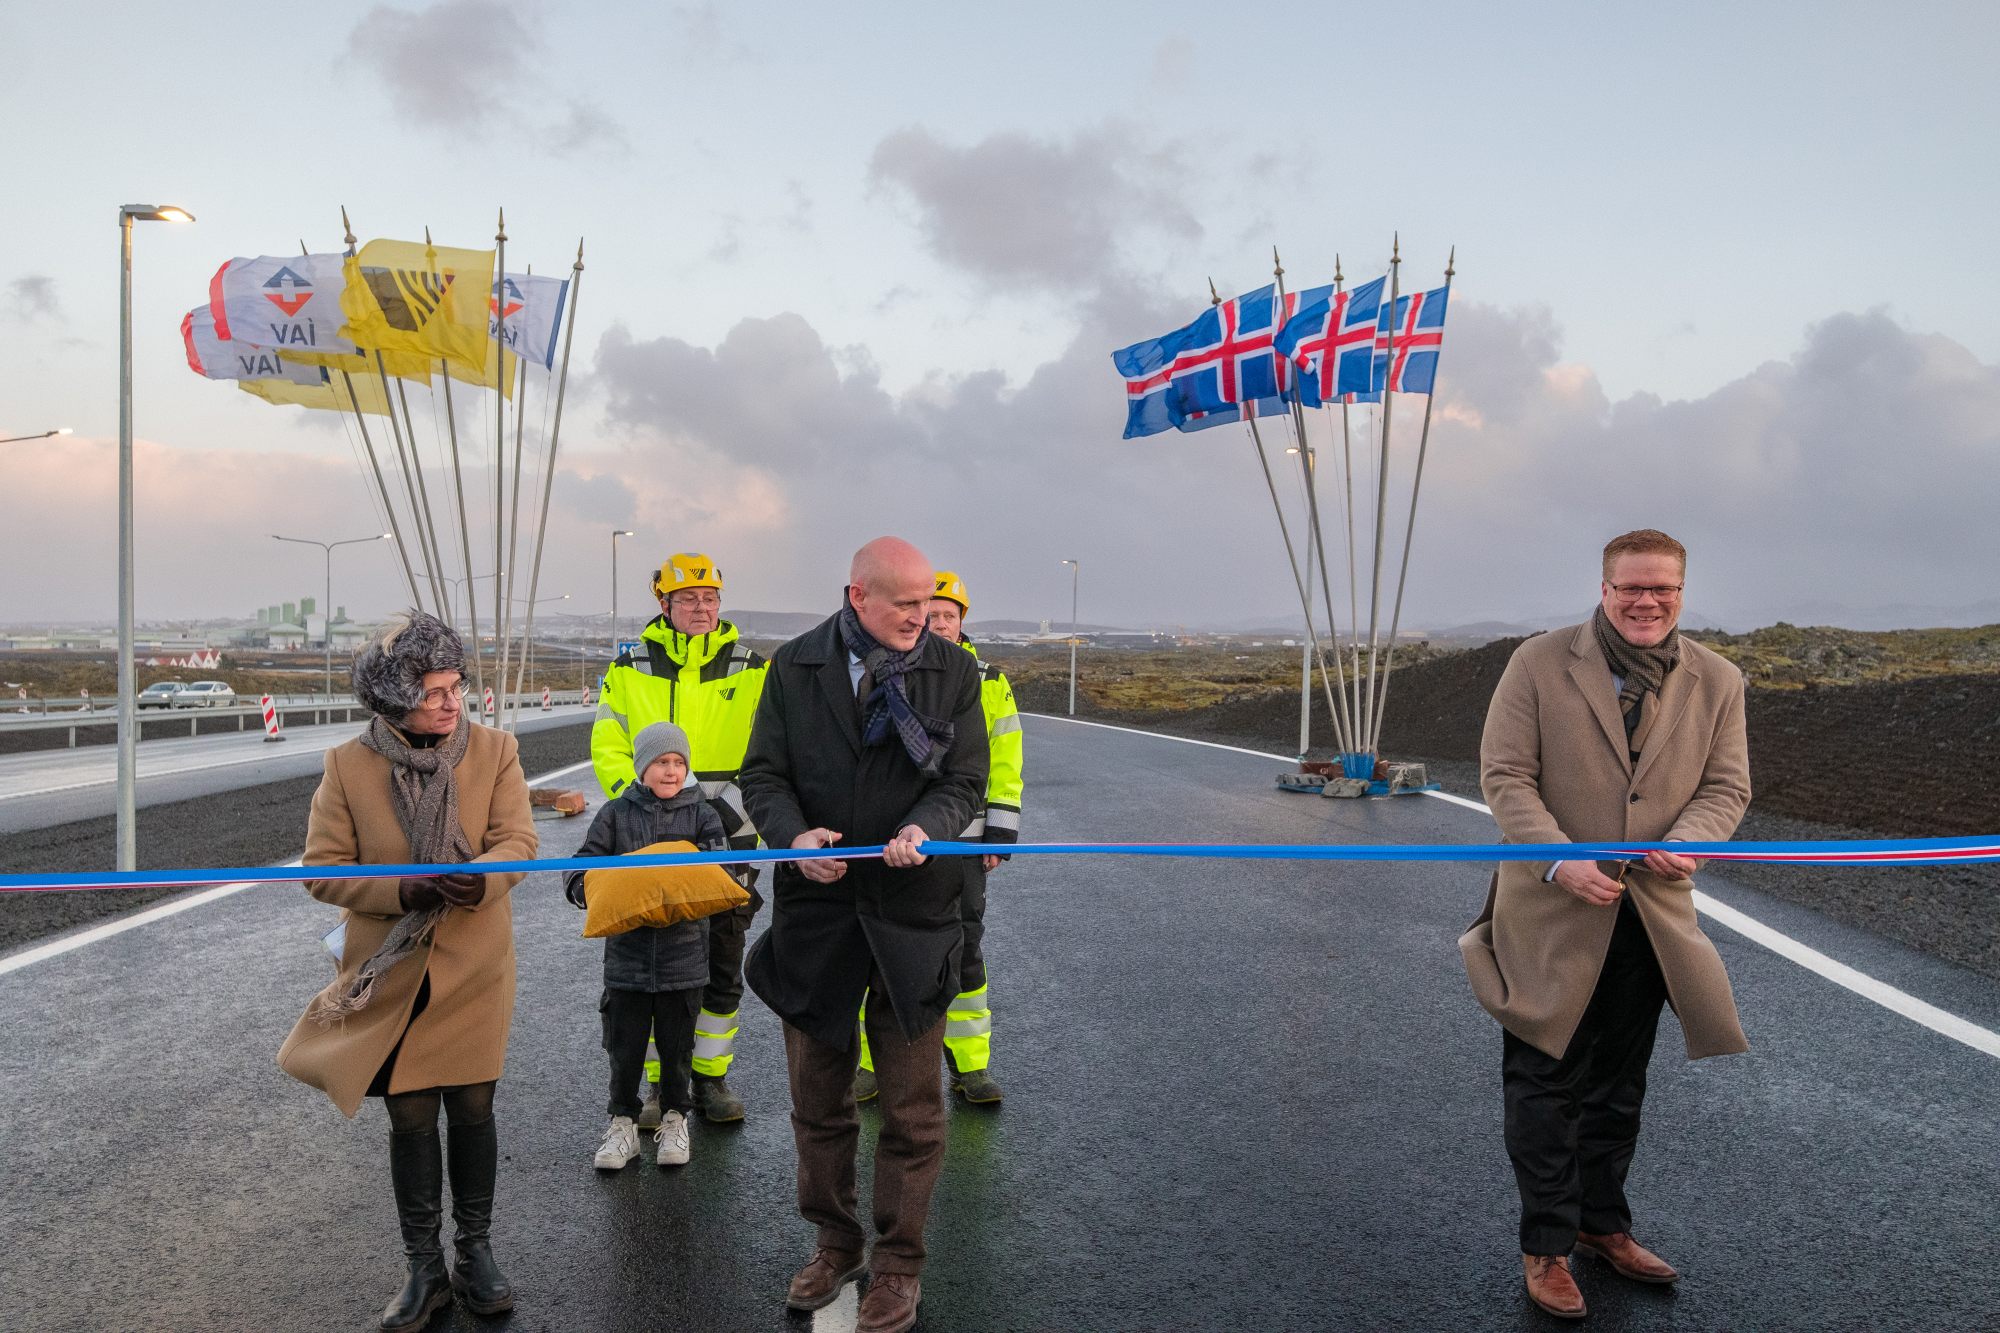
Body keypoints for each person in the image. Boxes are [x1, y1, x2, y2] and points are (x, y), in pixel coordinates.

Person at [1461, 529, 1752, 1320]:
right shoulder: (1538, 661)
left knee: (1619, 1086)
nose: (1645, 600)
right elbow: (1505, 774)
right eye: (1630, 587)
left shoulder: (1719, 679)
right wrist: (1559, 859)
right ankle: (1547, 1246)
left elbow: (1727, 787)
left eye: (1661, 588)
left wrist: (1686, 846)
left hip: (1649, 919)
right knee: (1544, 1083)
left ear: (1681, 594)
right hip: (1552, 911)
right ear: (1604, 586)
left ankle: (1601, 1225)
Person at [739, 536, 988, 1333]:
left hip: (915, 917)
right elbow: (763, 774)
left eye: (928, 604)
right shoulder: (795, 666)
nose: (923, 618)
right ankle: (835, 1242)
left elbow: (966, 779)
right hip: (818, 920)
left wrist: (926, 823)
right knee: (819, 1102)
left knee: (914, 1111)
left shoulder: (953, 670)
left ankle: (899, 1265)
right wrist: (792, 836)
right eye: (905, 605)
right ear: (858, 597)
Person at [277, 611, 538, 1332]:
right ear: (393, 701)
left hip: (476, 962)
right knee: (412, 1115)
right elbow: (323, 871)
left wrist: (479, 878)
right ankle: (425, 1268)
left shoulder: (496, 750)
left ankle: (475, 1253)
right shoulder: (347, 765)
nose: (452, 703)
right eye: (434, 691)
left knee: (475, 1107)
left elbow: (519, 838)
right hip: (392, 972)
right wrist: (402, 888)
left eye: (456, 687)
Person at [590, 551, 769, 1125]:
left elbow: (771, 751)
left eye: (710, 599)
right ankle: (653, 1086)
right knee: (647, 964)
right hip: (649, 837)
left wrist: (731, 809)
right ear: (664, 604)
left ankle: (709, 1079)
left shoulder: (751, 667)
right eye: (688, 599)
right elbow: (609, 740)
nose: (701, 608)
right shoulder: (630, 667)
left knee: (720, 957)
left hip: (730, 837)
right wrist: (639, 800)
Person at [855, 570, 1022, 1106]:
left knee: (963, 947)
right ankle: (869, 1066)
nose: (940, 622)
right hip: (888, 843)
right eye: (933, 612)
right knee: (876, 948)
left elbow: (1004, 758)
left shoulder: (988, 679)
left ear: (961, 622)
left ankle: (970, 1068)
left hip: (962, 843)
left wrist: (1001, 828)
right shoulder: (885, 669)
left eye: (950, 615)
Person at [566, 722, 727, 1173]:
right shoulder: (616, 814)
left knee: (677, 1052)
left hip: (684, 960)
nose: (671, 771)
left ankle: (676, 1119)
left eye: (678, 763)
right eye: (661, 763)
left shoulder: (703, 815)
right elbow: (581, 864)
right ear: (642, 768)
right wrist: (584, 890)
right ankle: (623, 1124)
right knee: (625, 1049)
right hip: (628, 964)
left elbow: (722, 868)